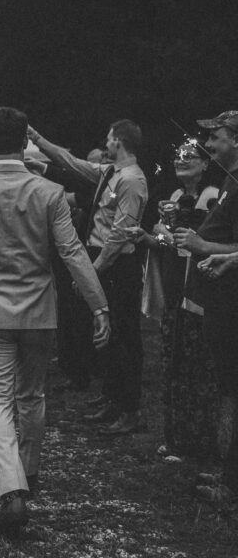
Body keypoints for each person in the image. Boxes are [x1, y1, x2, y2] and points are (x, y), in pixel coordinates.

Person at [0, 107, 109, 536]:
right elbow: (72, 252)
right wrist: (100, 305)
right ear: (25, 143)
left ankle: (10, 490)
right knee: (31, 395)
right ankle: (28, 474)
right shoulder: (49, 192)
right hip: (38, 312)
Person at [28, 118, 148, 436]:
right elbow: (70, 162)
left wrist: (92, 273)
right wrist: (37, 138)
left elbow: (121, 232)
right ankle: (111, 397)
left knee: (123, 335)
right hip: (100, 261)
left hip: (117, 266)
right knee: (104, 330)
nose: (105, 142)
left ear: (118, 141)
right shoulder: (109, 172)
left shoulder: (132, 180)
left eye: (109, 138)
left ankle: (129, 409)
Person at [133, 141, 219, 461]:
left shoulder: (212, 196)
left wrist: (167, 235)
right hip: (173, 287)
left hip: (196, 291)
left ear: (205, 164)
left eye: (190, 157)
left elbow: (199, 241)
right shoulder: (173, 197)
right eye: (178, 156)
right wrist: (154, 235)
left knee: (195, 365)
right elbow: (165, 239)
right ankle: (175, 437)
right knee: (173, 363)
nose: (181, 161)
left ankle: (197, 441)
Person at [173, 110, 238, 504]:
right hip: (220, 301)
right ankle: (228, 476)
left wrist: (201, 246)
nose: (209, 145)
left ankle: (230, 486)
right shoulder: (230, 180)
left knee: (233, 389)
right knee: (229, 388)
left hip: (231, 303)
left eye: (216, 137)